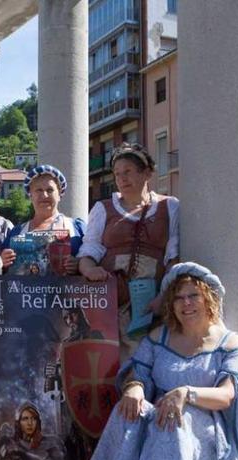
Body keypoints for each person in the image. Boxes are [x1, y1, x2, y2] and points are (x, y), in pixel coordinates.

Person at [75, 262, 238, 460]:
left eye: (193, 295)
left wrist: (187, 393)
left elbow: (227, 395)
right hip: (159, 414)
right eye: (178, 298)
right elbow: (137, 372)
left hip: (202, 426)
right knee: (127, 411)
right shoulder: (159, 337)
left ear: (208, 299)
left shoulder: (230, 344)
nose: (186, 303)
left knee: (174, 419)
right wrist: (134, 387)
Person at [77, 143, 180, 362]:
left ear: (147, 173)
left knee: (149, 359)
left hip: (151, 301)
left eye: (128, 172)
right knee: (110, 360)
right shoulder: (103, 208)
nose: (122, 179)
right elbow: (89, 249)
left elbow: (173, 256)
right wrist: (89, 269)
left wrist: (165, 296)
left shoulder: (169, 206)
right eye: (117, 174)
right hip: (112, 297)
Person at [0, 165, 85, 274]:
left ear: (59, 195)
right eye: (38, 190)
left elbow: (94, 258)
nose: (44, 195)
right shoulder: (16, 233)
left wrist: (79, 264)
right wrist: (3, 260)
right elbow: (3, 272)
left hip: (66, 290)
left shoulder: (77, 228)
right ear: (30, 196)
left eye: (50, 190)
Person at [0, 403, 67, 460]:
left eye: (33, 418)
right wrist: (0, 446)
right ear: (18, 423)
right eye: (25, 419)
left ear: (38, 422)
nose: (30, 423)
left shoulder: (52, 442)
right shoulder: (13, 444)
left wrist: (22, 452)